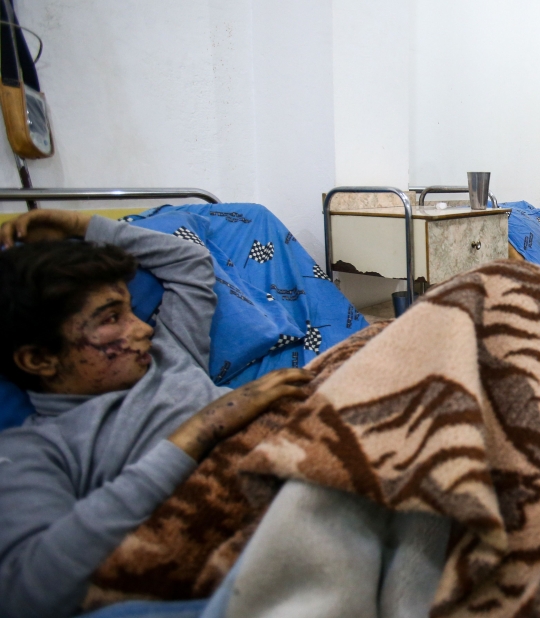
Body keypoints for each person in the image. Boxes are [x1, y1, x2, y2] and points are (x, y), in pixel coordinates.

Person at [0, 209, 314, 618]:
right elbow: (27, 591)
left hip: (298, 447)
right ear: (40, 359)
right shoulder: (35, 449)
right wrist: (200, 431)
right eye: (112, 318)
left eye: (132, 309)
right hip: (246, 517)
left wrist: (80, 226)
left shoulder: (170, 350)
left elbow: (191, 263)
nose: (144, 327)